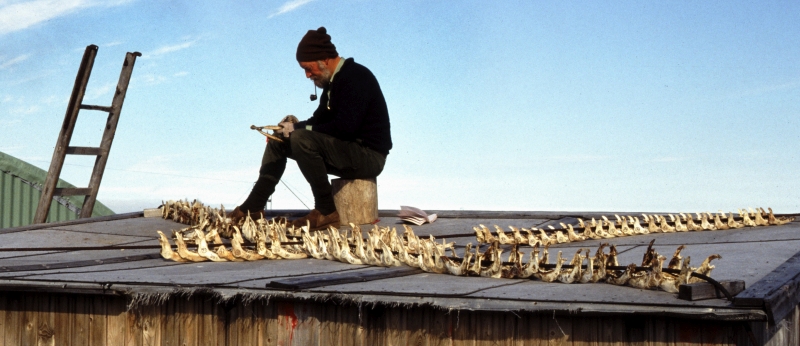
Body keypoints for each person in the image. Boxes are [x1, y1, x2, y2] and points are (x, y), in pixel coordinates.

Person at [228, 27, 392, 230]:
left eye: (308, 68)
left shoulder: (356, 77)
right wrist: (289, 129)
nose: (307, 75)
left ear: (324, 59)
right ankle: (253, 207)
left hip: (369, 156)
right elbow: (318, 120)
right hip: (347, 151)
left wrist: (298, 129)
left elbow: (345, 128)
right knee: (278, 141)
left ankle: (325, 211)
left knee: (300, 139)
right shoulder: (333, 84)